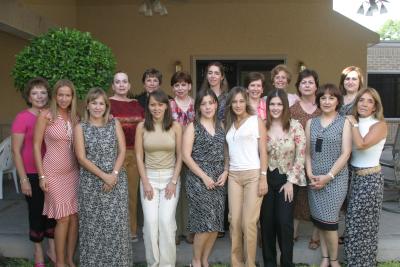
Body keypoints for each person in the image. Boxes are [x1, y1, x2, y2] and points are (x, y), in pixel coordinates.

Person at [75, 88, 131, 266]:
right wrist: (104, 176)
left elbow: (122, 150)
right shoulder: (80, 127)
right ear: (88, 105)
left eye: (101, 103)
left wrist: (113, 175)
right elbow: (81, 158)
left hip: (116, 181)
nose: (98, 107)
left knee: (117, 227)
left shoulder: (114, 124)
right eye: (94, 103)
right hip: (91, 184)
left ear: (106, 106)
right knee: (93, 228)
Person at [33, 79, 80, 267]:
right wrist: (41, 176)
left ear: (72, 97)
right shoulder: (46, 116)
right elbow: (36, 146)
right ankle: (59, 262)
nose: (63, 98)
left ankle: (70, 259)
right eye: (60, 95)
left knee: (75, 217)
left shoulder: (75, 117)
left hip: (73, 173)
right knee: (63, 218)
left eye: (67, 95)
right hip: (52, 173)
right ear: (55, 96)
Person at [305, 83, 352, 267]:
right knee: (320, 221)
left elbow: (346, 153)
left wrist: (329, 176)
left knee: (330, 221)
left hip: (335, 179)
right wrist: (309, 173)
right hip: (315, 179)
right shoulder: (311, 122)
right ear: (318, 101)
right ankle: (325, 258)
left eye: (331, 98)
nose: (327, 101)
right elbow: (308, 152)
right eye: (323, 98)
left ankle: (334, 260)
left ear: (338, 101)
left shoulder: (345, 122)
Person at [11, 77, 56, 267]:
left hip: (53, 171)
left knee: (53, 211)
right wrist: (23, 179)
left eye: (43, 92)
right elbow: (16, 150)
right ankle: (38, 249)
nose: (39, 96)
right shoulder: (22, 117)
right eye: (35, 93)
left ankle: (52, 247)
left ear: (48, 95)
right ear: (28, 96)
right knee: (36, 211)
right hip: (31, 173)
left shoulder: (52, 114)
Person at [135, 90, 183, 267]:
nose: (156, 108)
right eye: (153, 104)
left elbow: (180, 156)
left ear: (166, 106)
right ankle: (153, 263)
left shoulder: (175, 126)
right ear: (148, 106)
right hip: (149, 179)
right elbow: (139, 157)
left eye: (160, 104)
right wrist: (146, 182)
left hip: (170, 178)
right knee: (150, 223)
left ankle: (167, 264)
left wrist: (173, 182)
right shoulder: (142, 127)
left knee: (165, 222)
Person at [182, 88, 228, 267]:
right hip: (198, 180)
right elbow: (186, 156)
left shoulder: (221, 125)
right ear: (198, 107)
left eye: (211, 103)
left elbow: (225, 151)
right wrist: (203, 177)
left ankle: (205, 260)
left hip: (218, 180)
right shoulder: (192, 127)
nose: (208, 107)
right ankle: (195, 261)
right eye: (203, 104)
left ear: (216, 104)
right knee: (203, 225)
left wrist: (226, 170)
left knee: (215, 225)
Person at [260, 89, 306, 267]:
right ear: (267, 105)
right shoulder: (262, 125)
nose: (276, 107)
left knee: (284, 222)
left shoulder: (295, 126)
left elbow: (301, 155)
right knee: (267, 223)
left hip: (287, 178)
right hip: (265, 178)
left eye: (279, 104)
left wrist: (290, 182)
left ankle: (287, 262)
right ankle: (269, 263)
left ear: (285, 106)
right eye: (272, 104)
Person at [225, 86, 268, 267]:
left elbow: (263, 151)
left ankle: (250, 263)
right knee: (234, 222)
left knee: (249, 223)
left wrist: (263, 177)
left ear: (247, 102)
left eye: (241, 101)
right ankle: (237, 263)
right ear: (230, 104)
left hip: (253, 175)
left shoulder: (255, 121)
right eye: (234, 101)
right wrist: (226, 169)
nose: (238, 104)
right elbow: (227, 151)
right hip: (234, 176)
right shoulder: (227, 124)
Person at [344, 88, 387, 267]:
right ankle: (352, 262)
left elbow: (361, 144)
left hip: (370, 181)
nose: (364, 104)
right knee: (352, 225)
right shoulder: (350, 121)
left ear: (375, 106)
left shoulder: (379, 125)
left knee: (365, 227)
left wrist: (353, 124)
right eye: (361, 100)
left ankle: (366, 263)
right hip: (352, 178)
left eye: (369, 101)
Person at [109, 71, 144, 242]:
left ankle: (131, 230)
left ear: (129, 85)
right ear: (113, 86)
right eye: (118, 82)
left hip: (135, 154)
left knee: (131, 194)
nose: (121, 85)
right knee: (114, 194)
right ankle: (115, 229)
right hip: (114, 154)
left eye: (124, 81)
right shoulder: (107, 104)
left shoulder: (137, 105)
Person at [290, 69, 322, 250]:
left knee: (317, 196)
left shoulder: (323, 106)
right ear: (299, 86)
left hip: (320, 159)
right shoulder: (293, 109)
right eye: (303, 83)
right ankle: (294, 233)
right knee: (297, 197)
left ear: (316, 85)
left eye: (310, 82)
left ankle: (315, 236)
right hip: (297, 159)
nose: (307, 85)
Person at [169, 71, 196, 245]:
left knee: (189, 192)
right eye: (177, 85)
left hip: (193, 154)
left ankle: (188, 230)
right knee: (174, 191)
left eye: (183, 84)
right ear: (172, 88)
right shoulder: (169, 105)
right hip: (173, 153)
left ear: (189, 86)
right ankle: (176, 230)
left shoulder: (196, 104)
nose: (180, 88)